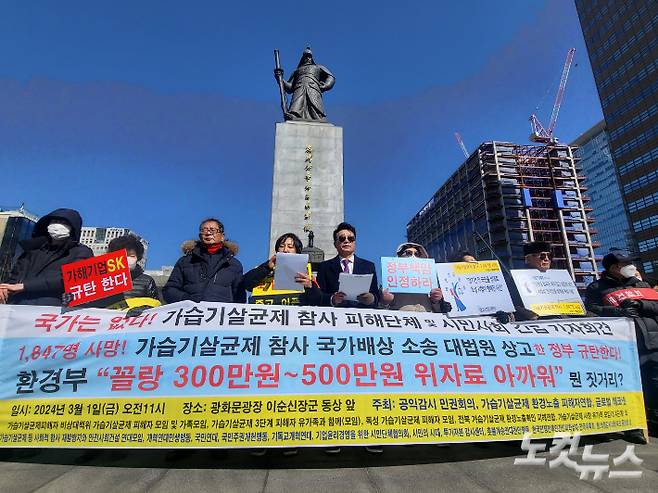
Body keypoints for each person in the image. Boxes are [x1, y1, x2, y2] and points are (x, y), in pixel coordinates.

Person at [585, 251, 658, 438]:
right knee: (630, 385)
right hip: (622, 344)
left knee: (654, 383)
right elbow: (592, 310)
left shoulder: (642, 284)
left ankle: (654, 421)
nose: (632, 267)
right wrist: (618, 311)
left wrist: (641, 305)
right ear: (614, 268)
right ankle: (634, 426)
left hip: (652, 340)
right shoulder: (597, 288)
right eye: (627, 264)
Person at [0, 208, 93, 306]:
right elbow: (15, 277)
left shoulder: (82, 252)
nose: (57, 225)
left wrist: (24, 286)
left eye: (64, 222)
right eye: (54, 221)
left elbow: (70, 278)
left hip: (52, 311)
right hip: (17, 308)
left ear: (73, 228)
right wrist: (4, 289)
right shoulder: (32, 251)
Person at [163, 218, 245, 304]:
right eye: (204, 230)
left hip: (220, 315)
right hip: (191, 313)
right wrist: (188, 300)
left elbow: (239, 298)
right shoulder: (185, 261)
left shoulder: (234, 264)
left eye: (213, 230)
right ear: (200, 236)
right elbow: (170, 290)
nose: (208, 233)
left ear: (222, 236)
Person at [241, 232, 321, 307]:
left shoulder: (306, 275)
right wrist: (267, 267)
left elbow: (318, 300)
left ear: (297, 251)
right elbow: (245, 283)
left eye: (290, 247)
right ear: (277, 250)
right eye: (281, 246)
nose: (285, 250)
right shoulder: (265, 269)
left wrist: (310, 286)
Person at [316, 222, 378, 309]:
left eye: (351, 238)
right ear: (335, 244)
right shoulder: (324, 267)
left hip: (361, 316)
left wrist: (371, 299)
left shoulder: (369, 266)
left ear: (355, 242)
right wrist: (332, 299)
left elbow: (376, 296)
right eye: (341, 238)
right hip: (335, 316)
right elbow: (318, 296)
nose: (346, 241)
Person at [379, 242, 451, 313]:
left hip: (426, 320)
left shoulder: (431, 280)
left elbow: (441, 311)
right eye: (408, 253)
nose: (413, 256)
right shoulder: (389, 280)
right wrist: (385, 302)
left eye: (417, 254)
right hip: (402, 320)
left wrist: (436, 301)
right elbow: (377, 310)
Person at [275, 46, 336, 122]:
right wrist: (280, 79)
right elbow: (290, 87)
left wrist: (326, 85)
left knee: (315, 107)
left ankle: (318, 117)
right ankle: (295, 115)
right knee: (296, 106)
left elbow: (331, 77)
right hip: (299, 90)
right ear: (302, 58)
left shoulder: (318, 67)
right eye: (306, 57)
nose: (308, 58)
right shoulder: (297, 71)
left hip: (313, 88)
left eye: (309, 57)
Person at [104, 235, 160, 310]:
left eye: (132, 256)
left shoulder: (147, 281)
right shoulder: (103, 280)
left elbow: (156, 307)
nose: (127, 259)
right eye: (123, 255)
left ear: (138, 257)